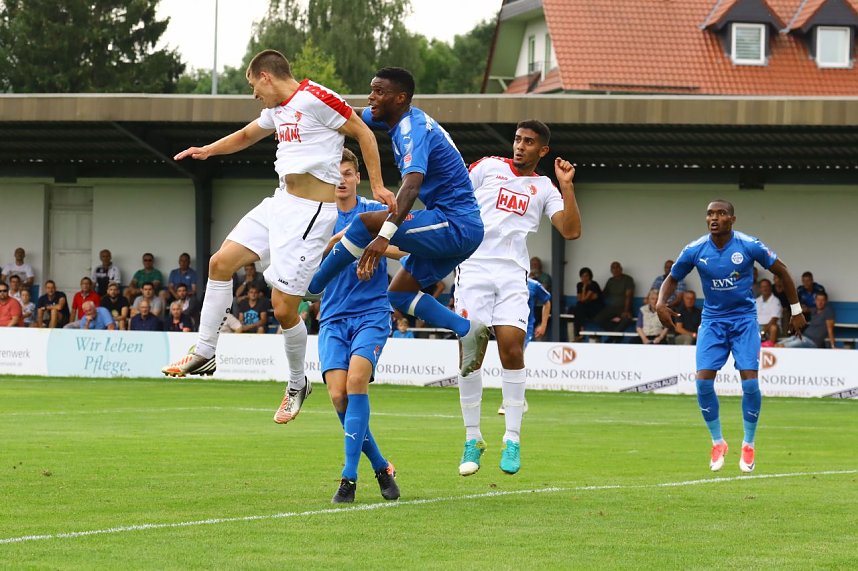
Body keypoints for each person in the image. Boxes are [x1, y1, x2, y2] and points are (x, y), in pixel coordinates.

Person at [162, 49, 394, 431]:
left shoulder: (316, 98)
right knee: (219, 263)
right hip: (279, 202)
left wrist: (379, 184)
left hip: (310, 214)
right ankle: (204, 352)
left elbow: (364, 132)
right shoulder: (277, 109)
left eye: (254, 86)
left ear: (266, 77)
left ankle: (296, 383)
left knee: (284, 308)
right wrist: (208, 149)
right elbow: (247, 134)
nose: (255, 96)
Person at [307, 66, 490, 384]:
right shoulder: (391, 117)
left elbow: (411, 187)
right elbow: (350, 114)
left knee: (366, 223)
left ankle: (311, 288)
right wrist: (306, 94)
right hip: (453, 224)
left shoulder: (411, 129)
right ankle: (466, 329)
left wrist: (383, 237)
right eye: (371, 89)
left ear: (400, 97)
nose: (371, 97)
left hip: (455, 224)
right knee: (400, 294)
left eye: (379, 92)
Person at [452, 119, 581, 476]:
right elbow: (452, 191)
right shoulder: (487, 166)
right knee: (470, 352)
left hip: (512, 273)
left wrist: (567, 187)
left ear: (543, 151)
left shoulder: (545, 187)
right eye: (517, 139)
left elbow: (570, 230)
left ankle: (512, 438)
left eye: (529, 142)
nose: (520, 146)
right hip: (474, 266)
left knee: (512, 348)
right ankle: (472, 437)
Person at [656, 199, 805, 474]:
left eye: (721, 213)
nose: (714, 218)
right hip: (712, 321)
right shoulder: (695, 249)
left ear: (732, 220)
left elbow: (781, 270)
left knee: (749, 384)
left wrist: (795, 310)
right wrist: (660, 303)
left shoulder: (749, 245)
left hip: (744, 321)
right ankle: (718, 442)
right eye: (710, 214)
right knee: (702, 384)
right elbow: (672, 277)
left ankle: (748, 444)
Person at [321, 149, 401, 503]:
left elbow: (402, 249)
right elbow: (306, 258)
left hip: (371, 312)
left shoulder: (372, 212)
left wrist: (367, 244)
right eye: (335, 173)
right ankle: (382, 466)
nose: (341, 179)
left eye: (348, 172)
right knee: (339, 395)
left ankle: (348, 479)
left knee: (356, 382)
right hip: (332, 317)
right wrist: (336, 241)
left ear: (357, 177)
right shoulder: (317, 215)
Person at [593, 261, 636, 339]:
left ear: (621, 269)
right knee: (597, 319)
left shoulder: (628, 279)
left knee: (627, 319)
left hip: (623, 307)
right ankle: (616, 335)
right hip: (611, 308)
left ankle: (611, 338)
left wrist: (626, 311)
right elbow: (604, 294)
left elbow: (628, 296)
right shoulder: (610, 281)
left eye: (617, 267)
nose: (615, 270)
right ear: (611, 271)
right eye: (613, 268)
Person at [572, 267, 603, 340]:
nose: (584, 278)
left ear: (590, 276)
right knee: (574, 309)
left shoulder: (593, 284)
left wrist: (584, 288)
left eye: (586, 276)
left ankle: (579, 334)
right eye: (582, 276)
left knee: (579, 307)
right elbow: (579, 298)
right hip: (585, 307)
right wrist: (583, 291)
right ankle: (577, 333)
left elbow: (583, 299)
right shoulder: (579, 284)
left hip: (596, 307)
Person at [755, 278, 782, 345]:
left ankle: (770, 348)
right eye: (762, 287)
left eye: (766, 286)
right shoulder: (756, 300)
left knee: (773, 328)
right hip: (757, 326)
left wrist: (764, 330)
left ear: (770, 287)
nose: (765, 289)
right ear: (760, 289)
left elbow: (774, 319)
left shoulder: (775, 301)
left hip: (769, 326)